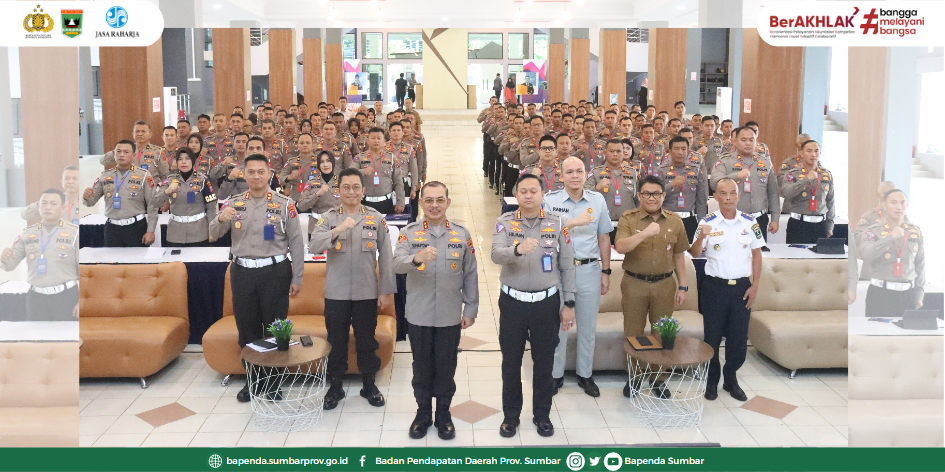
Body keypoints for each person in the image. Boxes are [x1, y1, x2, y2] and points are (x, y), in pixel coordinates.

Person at [209, 154, 304, 402]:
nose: (256, 176)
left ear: (269, 173)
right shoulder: (235, 202)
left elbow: (296, 242)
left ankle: (273, 382)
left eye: (261, 172)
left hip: (275, 272)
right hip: (242, 272)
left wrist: (298, 277)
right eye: (251, 172)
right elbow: (213, 233)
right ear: (244, 173)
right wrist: (220, 218)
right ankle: (254, 380)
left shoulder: (285, 203)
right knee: (247, 329)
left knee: (274, 329)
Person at [491, 173, 576, 438]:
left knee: (543, 363)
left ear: (542, 194)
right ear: (516, 195)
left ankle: (542, 415)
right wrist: (517, 250)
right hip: (513, 303)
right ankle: (510, 417)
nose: (528, 196)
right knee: (511, 362)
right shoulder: (504, 222)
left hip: (546, 304)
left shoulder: (558, 222)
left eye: (533, 191)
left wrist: (569, 302)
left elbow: (566, 265)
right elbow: (495, 254)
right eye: (523, 191)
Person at [393, 182, 478, 440]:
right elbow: (396, 264)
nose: (434, 205)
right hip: (418, 314)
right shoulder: (408, 233)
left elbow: (471, 273)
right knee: (421, 368)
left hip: (450, 314)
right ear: (421, 203)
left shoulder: (462, 234)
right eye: (429, 200)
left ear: (447, 203)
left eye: (439, 200)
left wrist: (471, 308)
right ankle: (422, 414)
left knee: (446, 367)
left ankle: (443, 413)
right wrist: (416, 259)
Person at [310, 168, 396, 410]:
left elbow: (387, 257)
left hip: (366, 292)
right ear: (338, 191)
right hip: (336, 293)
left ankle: (369, 384)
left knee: (367, 341)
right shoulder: (328, 217)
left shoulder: (376, 218)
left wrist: (385, 290)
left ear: (363, 190)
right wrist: (337, 230)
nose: (351, 191)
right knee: (335, 341)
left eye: (356, 187)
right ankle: (335, 387)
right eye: (346, 187)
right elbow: (314, 245)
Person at [614, 175, 690, 398]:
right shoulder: (629, 218)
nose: (651, 198)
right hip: (634, 283)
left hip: (665, 284)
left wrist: (683, 286)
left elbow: (679, 255)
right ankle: (635, 378)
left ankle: (658, 379)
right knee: (633, 333)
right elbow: (620, 246)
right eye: (646, 193)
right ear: (639, 195)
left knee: (661, 334)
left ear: (663, 196)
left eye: (656, 193)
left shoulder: (675, 221)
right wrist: (645, 233)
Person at [690, 178, 764, 402]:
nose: (729, 198)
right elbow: (694, 253)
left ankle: (731, 378)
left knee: (738, 338)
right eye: (723, 193)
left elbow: (757, 255)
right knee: (711, 337)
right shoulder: (707, 221)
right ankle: (712, 380)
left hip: (742, 287)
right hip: (714, 287)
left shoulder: (750, 222)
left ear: (738, 195)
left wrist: (755, 286)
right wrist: (702, 235)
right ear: (716, 197)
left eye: (733, 193)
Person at [544, 157, 613, 397]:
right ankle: (555, 375)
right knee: (558, 327)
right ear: (561, 175)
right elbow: (545, 232)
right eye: (569, 172)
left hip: (589, 269)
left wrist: (606, 271)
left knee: (587, 327)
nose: (575, 176)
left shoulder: (597, 200)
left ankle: (585, 374)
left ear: (586, 174)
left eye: (579, 171)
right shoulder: (550, 200)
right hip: (559, 270)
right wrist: (571, 223)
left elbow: (604, 237)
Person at [2, 189, 79, 322]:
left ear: (62, 208)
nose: (48, 207)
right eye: (44, 203)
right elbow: (10, 265)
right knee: (37, 340)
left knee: (65, 341)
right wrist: (3, 258)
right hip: (36, 299)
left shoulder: (75, 234)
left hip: (66, 298)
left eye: (53, 204)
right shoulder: (27, 234)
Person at [856, 189, 925, 317]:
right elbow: (866, 255)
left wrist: (919, 294)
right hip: (881, 294)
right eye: (893, 202)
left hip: (908, 294)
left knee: (905, 336)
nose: (899, 207)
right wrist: (890, 237)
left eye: (903, 203)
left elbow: (920, 264)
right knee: (877, 335)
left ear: (907, 206)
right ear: (884, 206)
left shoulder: (915, 232)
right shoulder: (873, 231)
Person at [710, 126, 780, 244]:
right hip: (732, 219)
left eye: (751, 140)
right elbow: (714, 183)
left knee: (758, 257)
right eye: (743, 140)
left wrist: (775, 218)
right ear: (735, 141)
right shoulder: (724, 161)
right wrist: (736, 176)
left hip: (759, 219)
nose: (748, 143)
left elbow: (773, 193)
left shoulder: (766, 162)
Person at [83, 140, 159, 247]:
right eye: (118, 151)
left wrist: (150, 231)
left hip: (136, 227)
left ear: (133, 155)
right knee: (112, 262)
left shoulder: (144, 175)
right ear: (114, 154)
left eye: (126, 152)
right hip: (112, 229)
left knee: (137, 262)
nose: (121, 155)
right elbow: (90, 202)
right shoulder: (105, 176)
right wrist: (86, 197)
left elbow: (153, 205)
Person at [154, 148, 218, 247]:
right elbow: (155, 202)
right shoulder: (170, 179)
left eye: (187, 159)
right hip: (175, 233)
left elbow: (211, 207)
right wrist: (167, 191)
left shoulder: (203, 180)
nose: (184, 162)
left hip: (199, 232)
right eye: (180, 159)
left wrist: (212, 230)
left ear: (193, 161)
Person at [779, 139, 835, 243]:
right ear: (801, 153)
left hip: (820, 225)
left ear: (820, 153)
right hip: (799, 224)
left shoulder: (826, 174)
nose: (813, 154)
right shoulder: (792, 174)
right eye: (809, 151)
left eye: (816, 151)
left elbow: (830, 201)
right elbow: (787, 193)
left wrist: (830, 225)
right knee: (796, 257)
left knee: (819, 258)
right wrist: (806, 179)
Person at [585, 139, 640, 243]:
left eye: (618, 151)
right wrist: (597, 188)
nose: (615, 154)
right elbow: (583, 196)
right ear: (605, 153)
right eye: (611, 151)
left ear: (624, 153)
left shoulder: (632, 173)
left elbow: (638, 199)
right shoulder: (595, 173)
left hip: (628, 224)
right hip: (602, 225)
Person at [657, 136, 708, 242]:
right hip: (667, 219)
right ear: (669, 151)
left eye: (684, 149)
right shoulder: (660, 171)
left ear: (689, 152)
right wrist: (671, 185)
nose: (680, 152)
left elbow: (701, 200)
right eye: (676, 149)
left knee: (691, 255)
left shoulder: (696, 170)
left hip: (689, 220)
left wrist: (701, 222)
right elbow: (655, 195)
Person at [351, 127, 405, 214]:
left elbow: (398, 181)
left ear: (384, 142)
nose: (376, 141)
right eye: (373, 138)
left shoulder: (391, 158)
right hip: (365, 202)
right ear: (367, 141)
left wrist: (400, 202)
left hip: (386, 203)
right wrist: (362, 172)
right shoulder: (359, 157)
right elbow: (350, 174)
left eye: (379, 138)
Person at [295, 150, 341, 235]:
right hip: (315, 227)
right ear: (318, 165)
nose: (325, 165)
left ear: (333, 163)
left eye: (328, 161)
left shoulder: (341, 182)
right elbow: (301, 206)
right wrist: (317, 194)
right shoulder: (311, 182)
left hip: (336, 226)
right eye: (322, 162)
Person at [99, 121, 166, 177]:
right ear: (133, 134)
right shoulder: (126, 149)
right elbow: (103, 161)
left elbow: (165, 173)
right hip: (129, 186)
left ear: (150, 134)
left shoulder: (158, 151)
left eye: (143, 131)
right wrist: (116, 151)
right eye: (137, 131)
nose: (140, 134)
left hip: (150, 187)